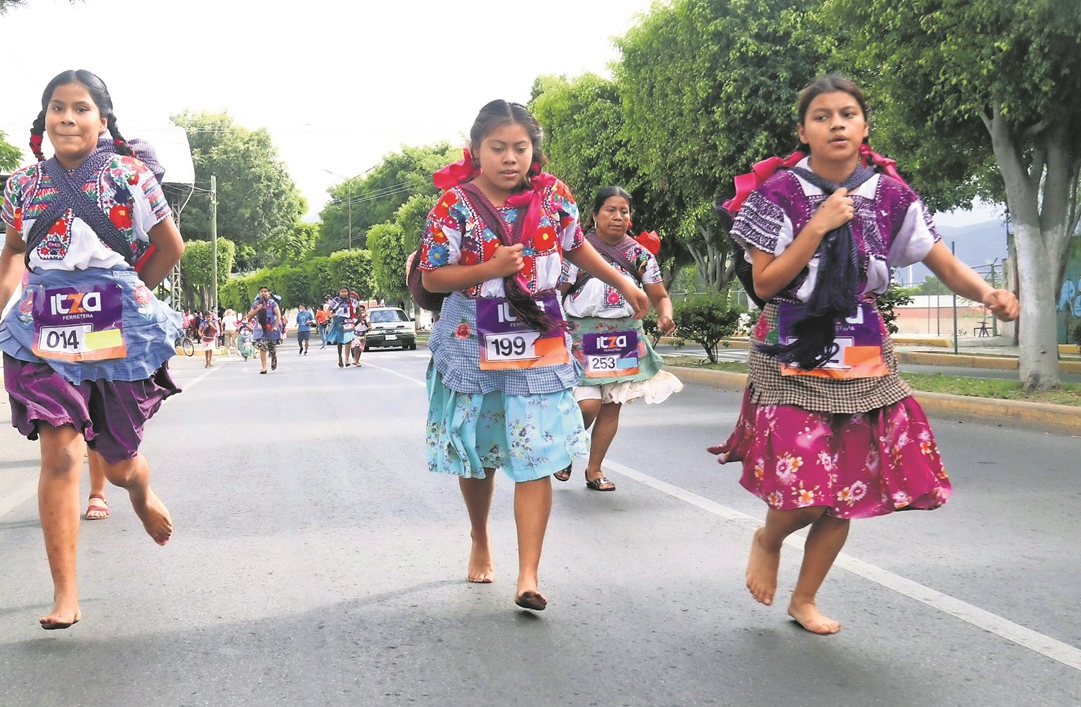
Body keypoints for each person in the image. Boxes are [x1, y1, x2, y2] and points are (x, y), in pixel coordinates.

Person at [708, 74, 1020, 635]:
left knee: (844, 492)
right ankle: (769, 537)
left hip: (864, 353)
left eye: (847, 114)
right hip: (792, 349)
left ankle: (804, 599)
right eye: (822, 116)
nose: (836, 124)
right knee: (806, 485)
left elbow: (936, 256)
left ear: (864, 126)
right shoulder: (775, 195)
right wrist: (819, 225)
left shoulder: (892, 194)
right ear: (802, 130)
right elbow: (765, 283)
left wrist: (985, 292)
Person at [418, 100, 649, 611]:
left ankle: (528, 575)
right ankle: (480, 537)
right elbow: (433, 276)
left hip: (539, 340)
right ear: (477, 150)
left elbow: (575, 247)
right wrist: (490, 268)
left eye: (519, 148)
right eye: (497, 148)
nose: (509, 158)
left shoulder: (555, 195)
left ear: (533, 151)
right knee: (479, 455)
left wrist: (623, 281)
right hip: (470, 343)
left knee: (537, 454)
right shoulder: (453, 204)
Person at [0, 69, 183, 630]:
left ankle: (138, 491)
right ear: (44, 119)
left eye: (82, 108)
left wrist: (132, 296)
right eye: (58, 108)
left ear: (103, 120)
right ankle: (65, 594)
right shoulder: (22, 184)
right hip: (42, 325)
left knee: (115, 467)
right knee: (60, 450)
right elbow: (16, 249)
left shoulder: (130, 176)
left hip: (112, 319)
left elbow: (169, 247)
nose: (68, 117)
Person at [556, 186, 683, 491]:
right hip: (581, 337)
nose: (617, 216)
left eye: (624, 211)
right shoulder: (578, 251)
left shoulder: (640, 255)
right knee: (588, 405)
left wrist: (665, 313)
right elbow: (557, 292)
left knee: (611, 406)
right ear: (594, 215)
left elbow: (659, 296)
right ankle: (566, 450)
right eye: (610, 210)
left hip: (623, 337)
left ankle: (594, 470)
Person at [244, 286, 282, 374]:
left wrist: (276, 326)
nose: (263, 293)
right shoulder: (256, 304)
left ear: (269, 293)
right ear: (259, 293)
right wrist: (258, 308)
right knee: (262, 347)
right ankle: (264, 367)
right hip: (261, 330)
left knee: (272, 348)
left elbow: (278, 315)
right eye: (262, 291)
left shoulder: (272, 303)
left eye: (265, 291)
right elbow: (249, 317)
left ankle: (273, 357)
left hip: (271, 329)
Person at [325, 287, 358, 368]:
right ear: (339, 292)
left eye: (345, 291)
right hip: (339, 320)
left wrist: (359, 319)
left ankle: (347, 359)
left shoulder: (352, 300)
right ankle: (340, 357)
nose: (344, 293)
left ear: (348, 292)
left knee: (348, 340)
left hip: (348, 321)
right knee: (340, 340)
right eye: (342, 291)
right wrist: (331, 315)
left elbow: (357, 310)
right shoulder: (336, 300)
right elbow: (328, 310)